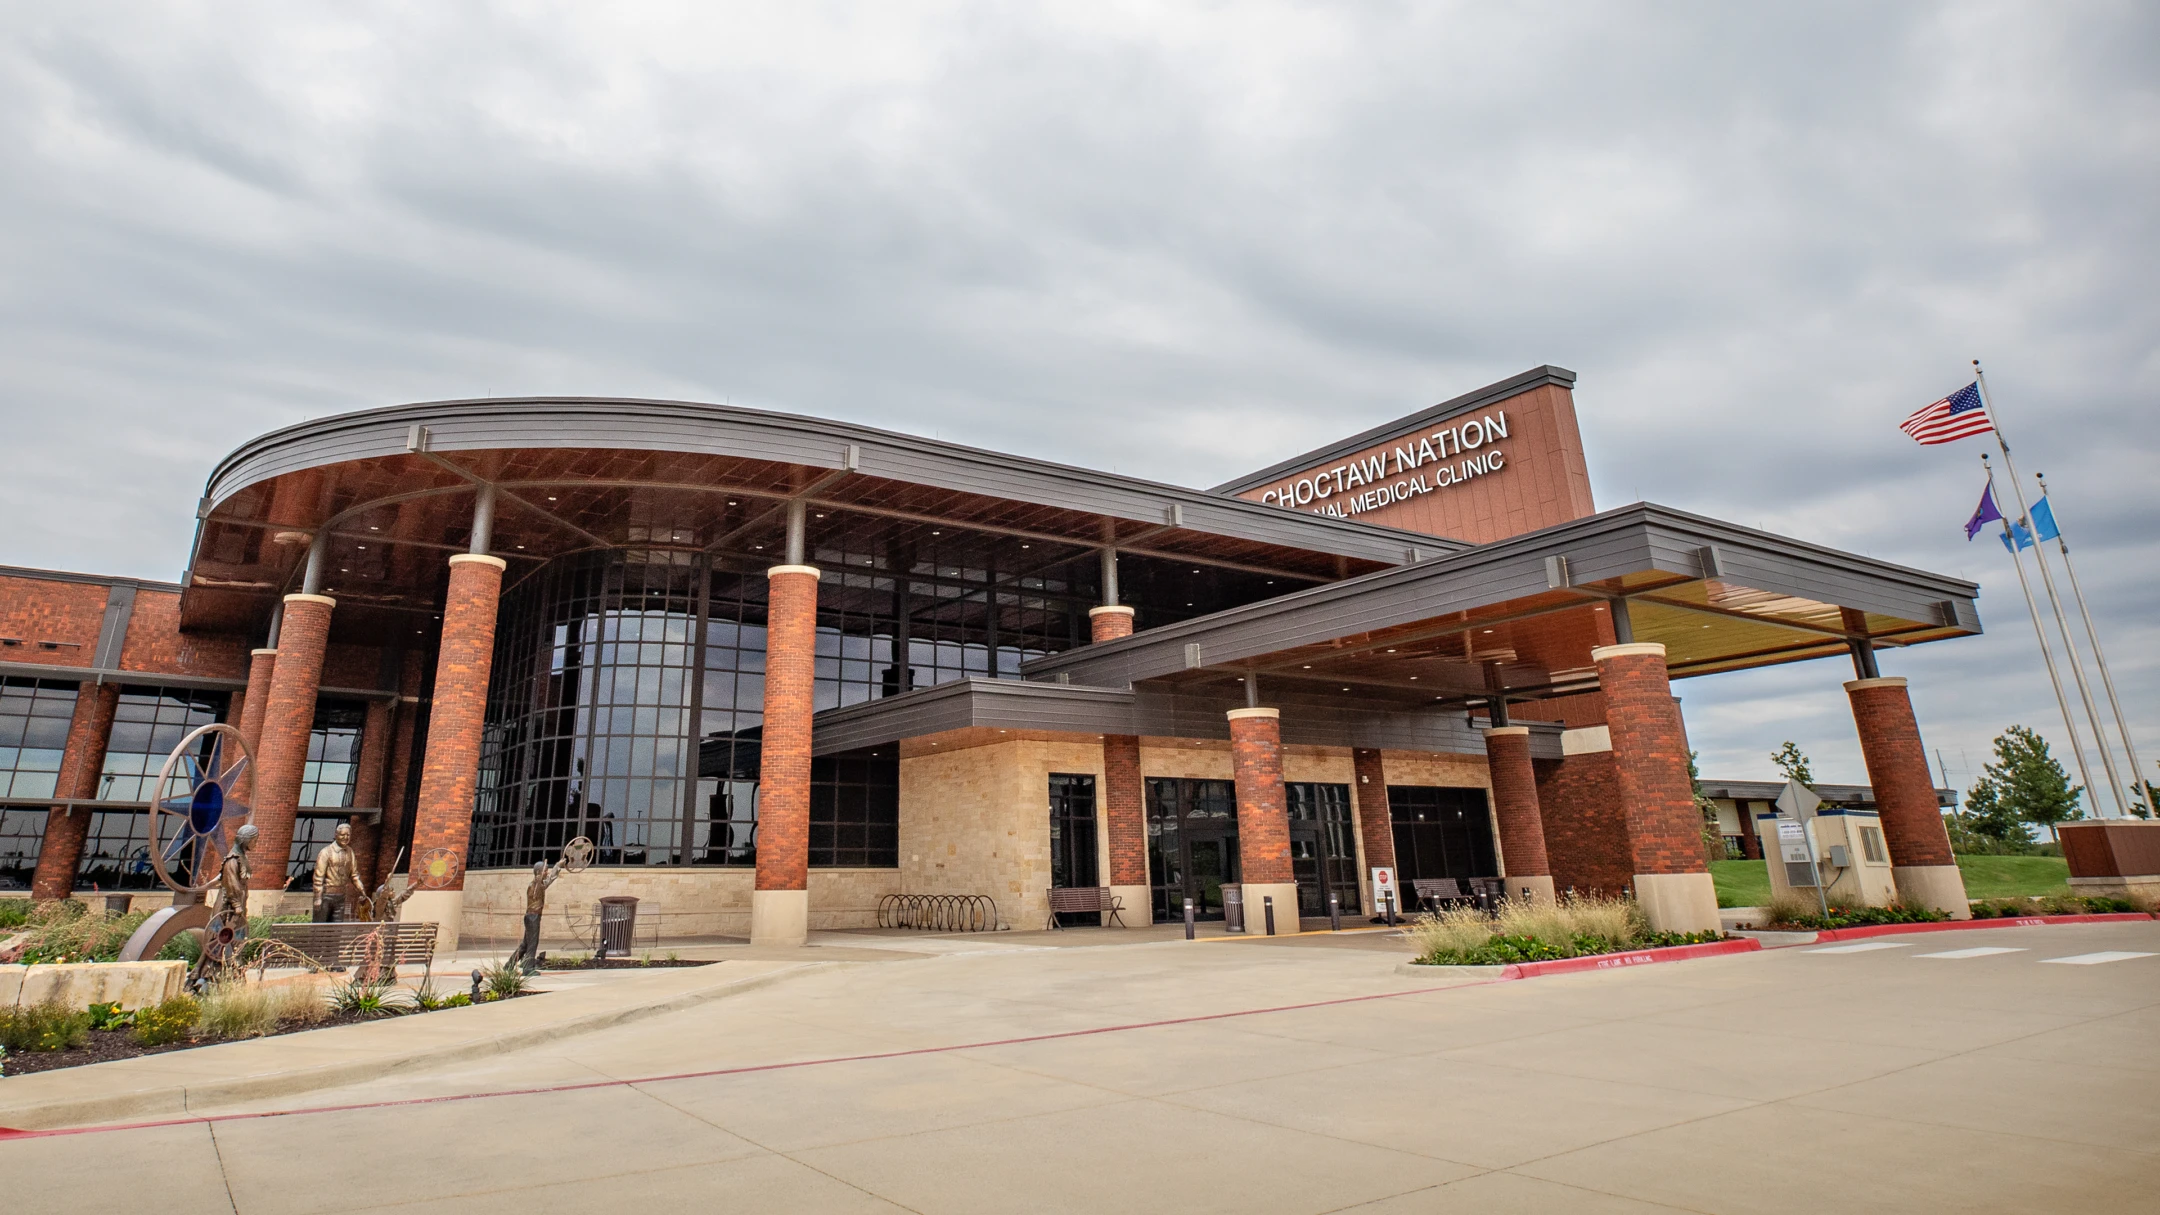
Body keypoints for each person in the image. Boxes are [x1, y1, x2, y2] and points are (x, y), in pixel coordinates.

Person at [192, 823, 257, 989]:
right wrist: (237, 906)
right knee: (221, 938)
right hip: (227, 907)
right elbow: (231, 884)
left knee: (233, 939)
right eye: (254, 840)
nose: (255, 844)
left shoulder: (241, 856)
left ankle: (227, 973)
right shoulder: (233, 859)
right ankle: (207, 975)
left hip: (237, 902)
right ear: (246, 840)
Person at [505, 857, 565, 974]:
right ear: (538, 872)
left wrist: (557, 866)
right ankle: (528, 968)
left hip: (532, 917)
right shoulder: (534, 885)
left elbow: (549, 880)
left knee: (525, 944)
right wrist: (541, 875)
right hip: (532, 917)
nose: (547, 872)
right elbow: (539, 883)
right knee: (533, 943)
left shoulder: (540, 885)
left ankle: (509, 965)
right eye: (545, 870)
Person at [312, 822, 364, 922]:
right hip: (325, 896)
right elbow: (318, 877)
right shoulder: (326, 852)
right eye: (342, 835)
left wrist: (361, 889)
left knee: (336, 928)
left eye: (348, 835)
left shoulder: (350, 852)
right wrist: (318, 897)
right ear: (336, 835)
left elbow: (354, 875)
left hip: (341, 896)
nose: (345, 837)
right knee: (319, 929)